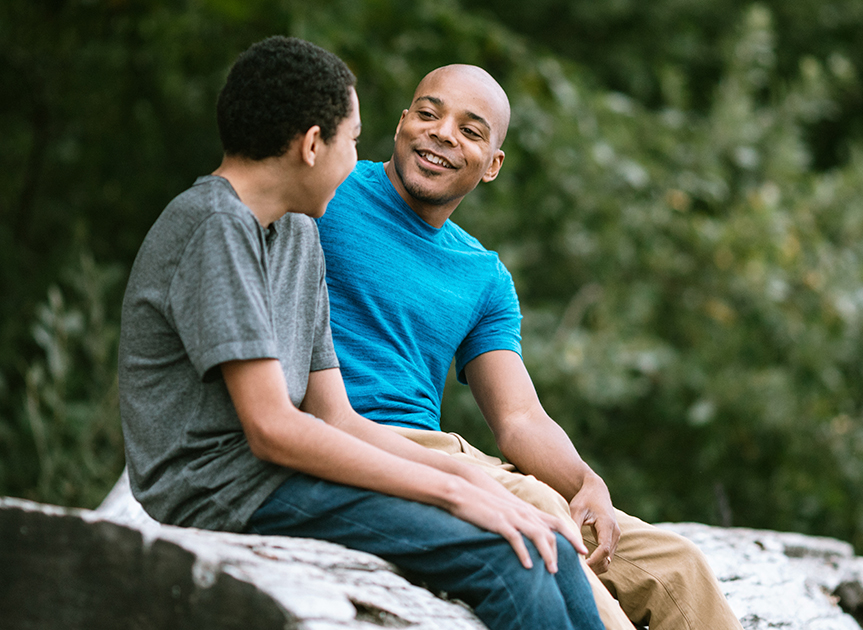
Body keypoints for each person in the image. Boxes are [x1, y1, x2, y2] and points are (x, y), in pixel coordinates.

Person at [117, 37, 604, 630]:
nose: (359, 161)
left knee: (545, 542)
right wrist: (453, 496)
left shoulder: (298, 233)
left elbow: (339, 417)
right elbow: (272, 428)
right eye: (352, 140)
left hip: (280, 475)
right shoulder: (214, 227)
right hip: (226, 490)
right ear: (313, 145)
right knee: (510, 556)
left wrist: (470, 479)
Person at [316, 64, 745, 630]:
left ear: (493, 164)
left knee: (679, 567)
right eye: (428, 113)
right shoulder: (326, 194)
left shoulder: (483, 275)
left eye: (471, 130)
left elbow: (519, 419)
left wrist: (587, 483)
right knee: (540, 510)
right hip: (360, 436)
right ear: (400, 124)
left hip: (451, 450)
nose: (442, 133)